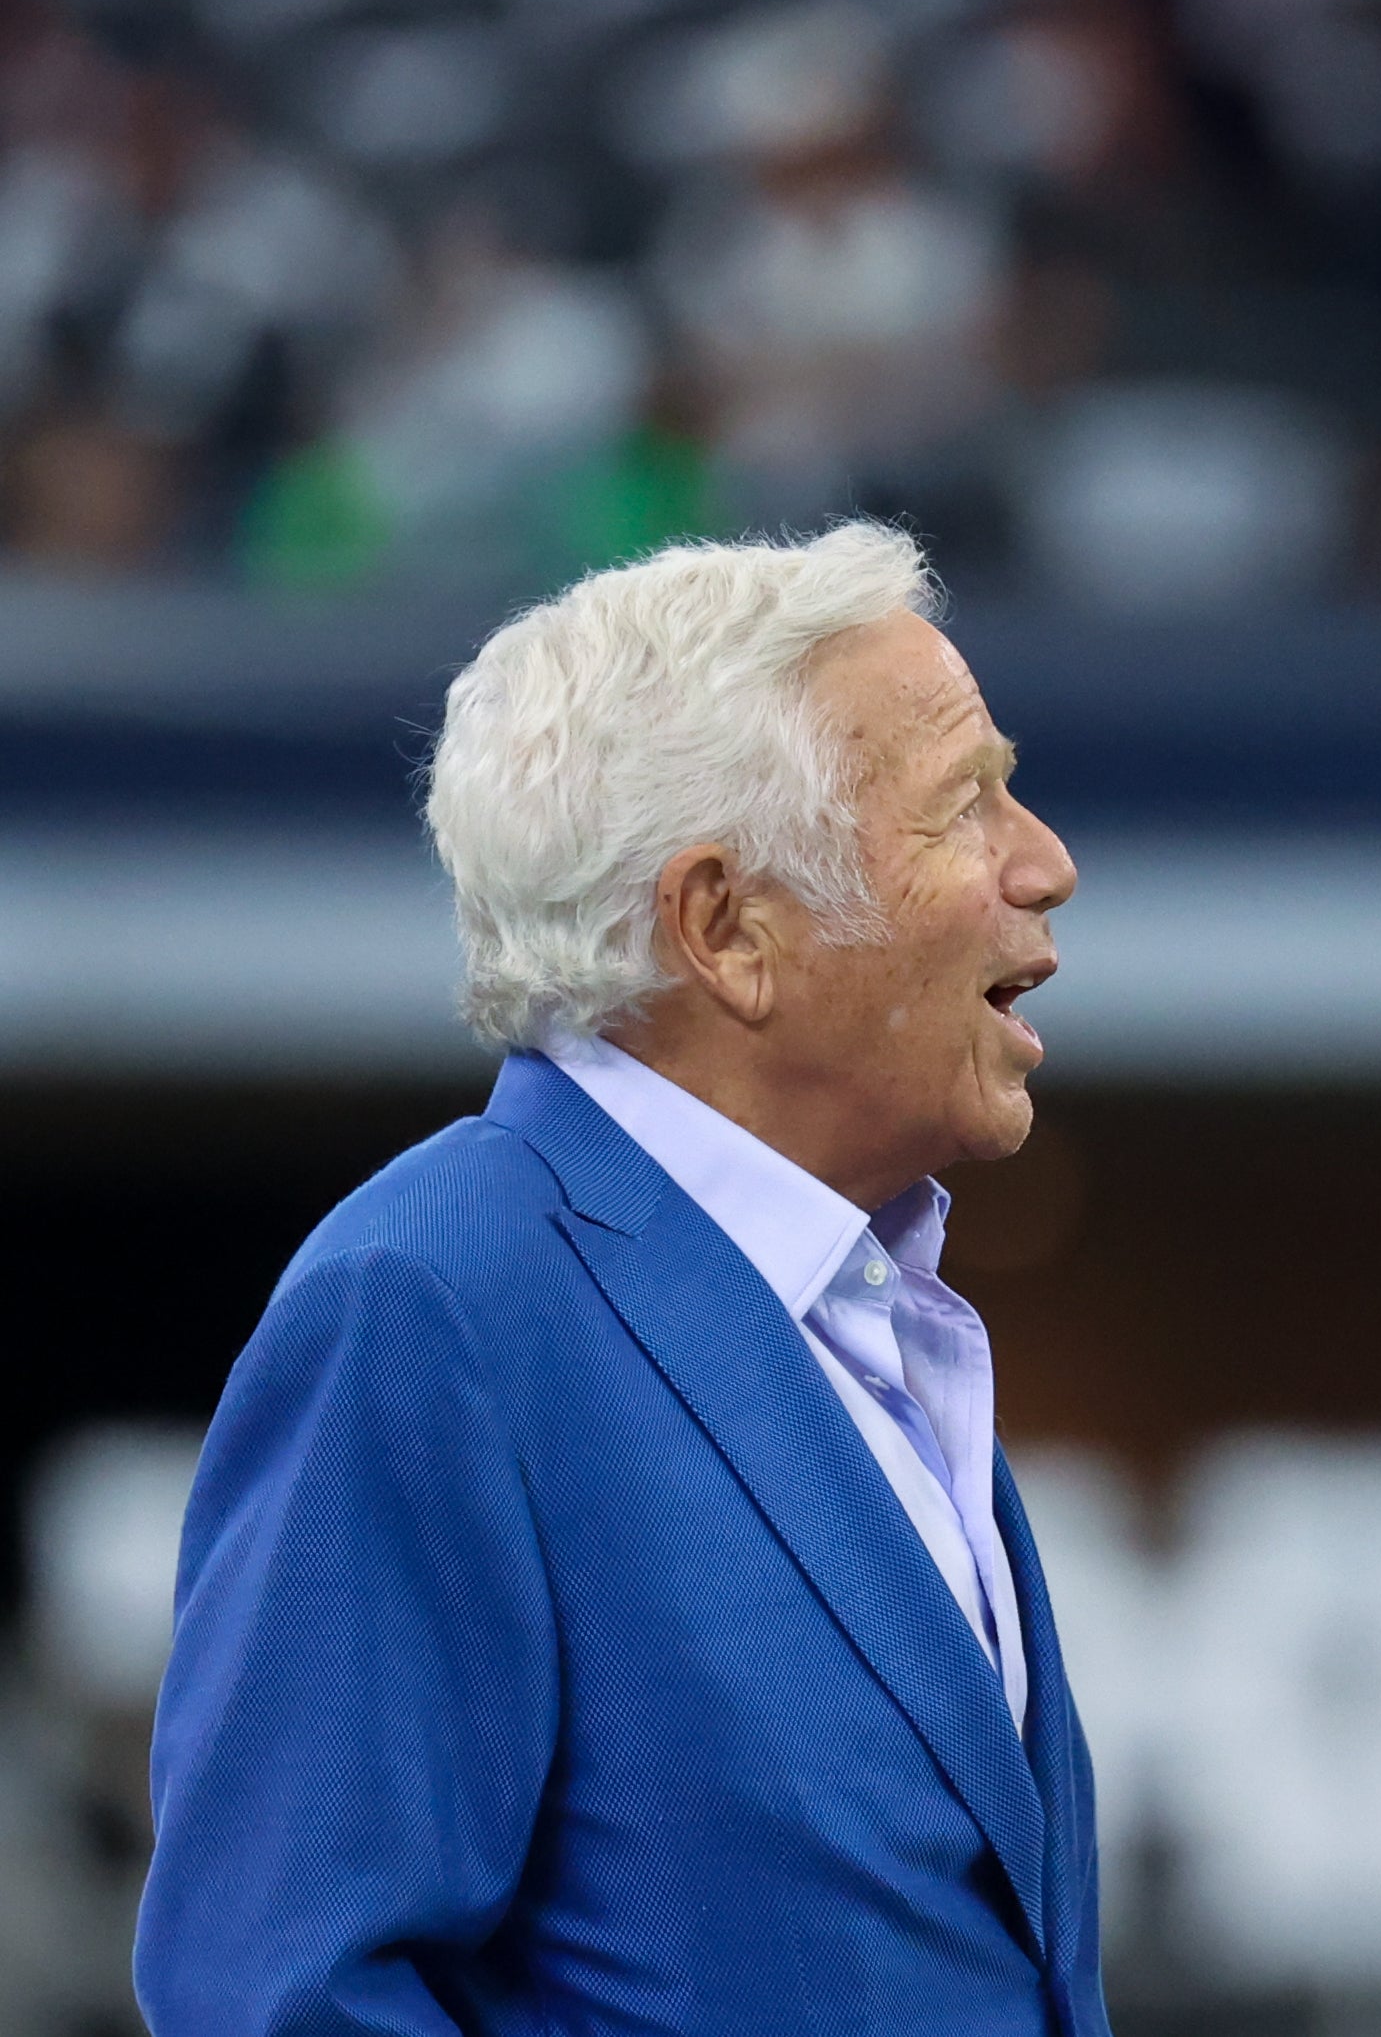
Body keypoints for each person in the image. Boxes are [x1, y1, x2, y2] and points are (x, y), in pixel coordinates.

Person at [137, 524, 1103, 2035]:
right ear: (726, 927)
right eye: (964, 804)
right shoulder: (429, 1307)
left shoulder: (879, 1325)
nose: (1045, 862)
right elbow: (277, 1996)